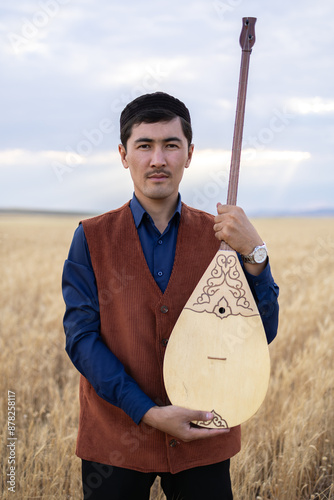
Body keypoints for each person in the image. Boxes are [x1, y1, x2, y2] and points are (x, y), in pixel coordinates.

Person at [62, 91, 279, 500]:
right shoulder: (91, 238)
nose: (157, 159)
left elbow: (260, 334)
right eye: (144, 145)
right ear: (124, 154)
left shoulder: (224, 239)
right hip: (115, 441)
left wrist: (256, 256)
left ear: (189, 153)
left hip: (205, 436)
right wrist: (148, 412)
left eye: (171, 145)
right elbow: (81, 339)